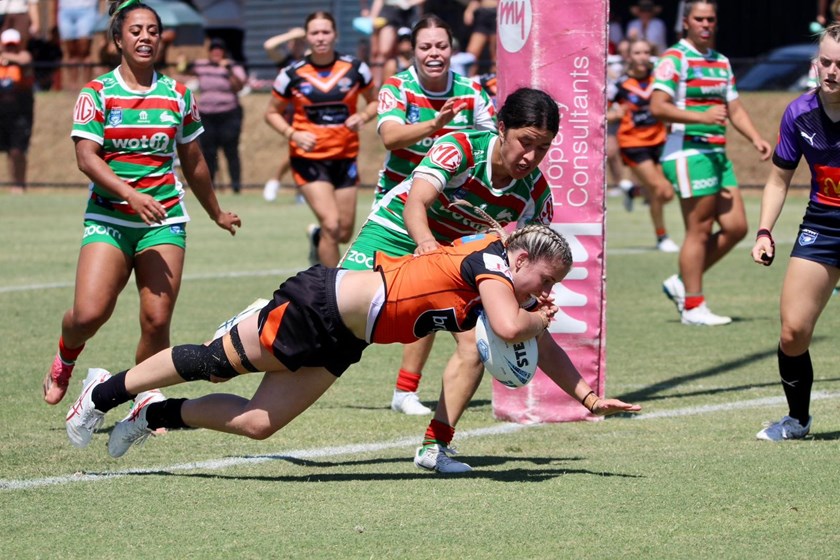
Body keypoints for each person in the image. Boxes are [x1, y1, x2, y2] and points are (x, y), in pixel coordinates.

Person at [65, 220, 641, 461]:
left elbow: (539, 345)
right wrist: (536, 316)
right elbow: (519, 331)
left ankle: (155, 412)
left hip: (349, 338)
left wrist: (589, 399)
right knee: (218, 363)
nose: (548, 294)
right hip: (325, 304)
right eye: (548, 281)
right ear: (522, 259)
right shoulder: (492, 261)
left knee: (260, 424)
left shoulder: (503, 281)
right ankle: (101, 394)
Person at [343, 87, 558, 472]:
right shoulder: (459, 146)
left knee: (477, 344)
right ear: (502, 128)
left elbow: (532, 261)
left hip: (457, 257)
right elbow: (416, 203)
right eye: (525, 142)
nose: (531, 157)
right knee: (337, 322)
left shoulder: (536, 194)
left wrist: (530, 303)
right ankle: (262, 322)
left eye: (542, 148)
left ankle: (434, 446)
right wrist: (426, 244)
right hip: (398, 231)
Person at [43, 0, 241, 406]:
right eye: (135, 31)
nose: (145, 37)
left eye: (152, 30)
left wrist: (216, 212)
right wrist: (131, 195)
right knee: (89, 314)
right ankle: (64, 358)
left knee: (156, 320)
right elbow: (86, 158)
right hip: (109, 217)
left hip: (164, 219)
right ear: (118, 39)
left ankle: (146, 397)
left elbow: (194, 161)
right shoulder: (97, 92)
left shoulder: (178, 95)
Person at [340, 14, 496, 416]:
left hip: (449, 216)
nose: (433, 54)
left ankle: (405, 391)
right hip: (397, 209)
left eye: (440, 46)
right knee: (351, 298)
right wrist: (435, 125)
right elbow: (390, 135)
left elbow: (492, 143)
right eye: (425, 47)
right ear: (413, 50)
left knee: (432, 296)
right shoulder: (398, 86)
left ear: (453, 49)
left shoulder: (471, 91)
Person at [651, 0, 771, 326]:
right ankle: (693, 306)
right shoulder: (674, 58)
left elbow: (735, 108)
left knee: (736, 228)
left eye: (711, 19)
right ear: (686, 22)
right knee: (699, 230)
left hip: (717, 154)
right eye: (699, 19)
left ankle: (682, 281)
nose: (706, 24)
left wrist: (755, 137)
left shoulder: (721, 61)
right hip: (688, 152)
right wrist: (700, 116)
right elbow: (658, 106)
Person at [750, 24, 840, 441]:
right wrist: (765, 230)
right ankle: (798, 420)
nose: (832, 71)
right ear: (814, 63)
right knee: (793, 332)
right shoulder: (799, 113)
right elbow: (778, 180)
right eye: (826, 62)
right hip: (823, 223)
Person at [264, 11, 377, 268]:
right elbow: (271, 113)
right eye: (315, 33)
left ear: (335, 35)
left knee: (345, 232)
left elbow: (375, 102)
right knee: (332, 224)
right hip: (309, 159)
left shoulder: (356, 68)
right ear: (307, 37)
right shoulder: (291, 74)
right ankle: (329, 293)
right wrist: (292, 133)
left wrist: (363, 117)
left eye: (326, 32)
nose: (321, 38)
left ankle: (317, 239)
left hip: (345, 157)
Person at [610, 38, 678, 253]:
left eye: (646, 52)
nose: (642, 56)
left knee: (668, 193)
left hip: (660, 140)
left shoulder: (658, 80)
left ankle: (634, 191)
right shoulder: (619, 85)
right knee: (659, 190)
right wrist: (615, 114)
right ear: (630, 56)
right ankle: (662, 237)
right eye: (637, 52)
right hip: (633, 143)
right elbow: (599, 113)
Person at [190, 38, 247, 194]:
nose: (216, 52)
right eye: (213, 49)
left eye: (219, 49)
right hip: (207, 115)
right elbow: (184, 70)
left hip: (229, 114)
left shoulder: (232, 66)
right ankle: (210, 187)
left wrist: (228, 71)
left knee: (231, 152)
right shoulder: (202, 65)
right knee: (208, 153)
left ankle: (236, 187)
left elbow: (239, 87)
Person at [261, 26, 306, 203]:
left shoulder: (310, 60)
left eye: (301, 41)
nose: (298, 44)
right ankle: (277, 181)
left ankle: (301, 189)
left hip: (311, 110)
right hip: (290, 112)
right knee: (298, 149)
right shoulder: (285, 60)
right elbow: (269, 45)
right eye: (294, 42)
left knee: (304, 151)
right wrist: (292, 35)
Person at [0, 28, 33, 194]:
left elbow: (25, 60)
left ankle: (19, 184)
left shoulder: (23, 57)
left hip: (20, 113)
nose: (11, 48)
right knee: (7, 150)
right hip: (2, 113)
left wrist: (8, 57)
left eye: (13, 45)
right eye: (8, 46)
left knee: (17, 150)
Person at [363, 0, 425, 86]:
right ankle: (379, 85)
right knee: (384, 52)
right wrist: (372, 17)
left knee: (407, 51)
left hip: (408, 15)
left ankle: (410, 84)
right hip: (390, 13)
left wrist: (410, 3)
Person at [57, 0, 99, 91]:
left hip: (87, 8)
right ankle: (73, 86)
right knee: (71, 51)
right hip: (65, 9)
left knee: (84, 50)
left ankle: (88, 86)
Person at [191, 0, 246, 65]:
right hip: (211, 24)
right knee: (212, 52)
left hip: (234, 25)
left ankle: (240, 73)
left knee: (236, 55)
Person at [462, 0, 496, 76]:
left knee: (495, 53)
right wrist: (469, 10)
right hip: (482, 13)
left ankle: (496, 81)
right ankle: (468, 79)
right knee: (471, 53)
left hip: (497, 12)